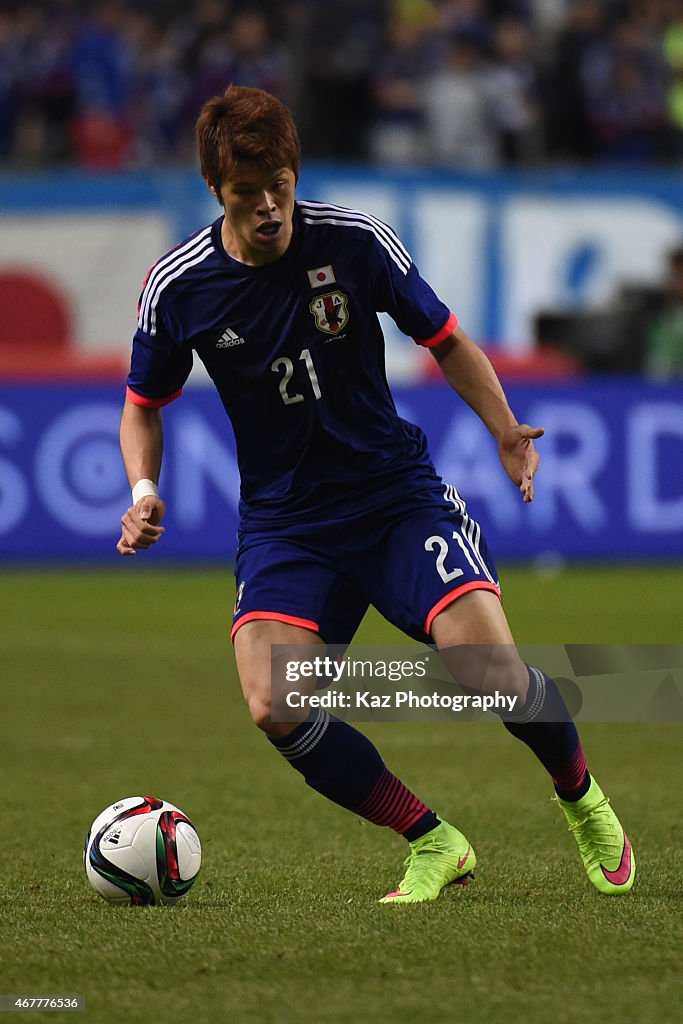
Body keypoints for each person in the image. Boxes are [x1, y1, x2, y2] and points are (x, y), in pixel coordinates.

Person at [117, 85, 635, 903]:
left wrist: (503, 428)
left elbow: (446, 337)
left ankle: (582, 799)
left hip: (394, 499)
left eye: (278, 185)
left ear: (294, 171)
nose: (267, 208)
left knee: (490, 671)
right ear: (215, 192)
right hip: (288, 525)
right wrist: (144, 487)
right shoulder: (179, 286)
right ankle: (434, 842)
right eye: (246, 194)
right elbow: (142, 407)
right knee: (271, 703)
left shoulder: (353, 242)